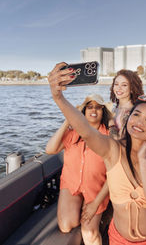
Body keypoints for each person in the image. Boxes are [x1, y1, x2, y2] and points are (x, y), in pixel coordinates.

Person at [48, 63, 146, 245]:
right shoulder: (112, 149)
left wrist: (142, 160)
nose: (139, 121)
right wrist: (58, 97)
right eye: (136, 115)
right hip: (119, 240)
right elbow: (87, 131)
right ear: (128, 118)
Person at [45, 93, 111, 245]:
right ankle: (81, 207)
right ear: (84, 111)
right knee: (66, 225)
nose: (93, 110)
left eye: (98, 108)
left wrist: (95, 203)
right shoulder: (72, 133)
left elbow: (113, 175)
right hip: (71, 185)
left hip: (96, 189)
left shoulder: (108, 136)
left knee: (90, 233)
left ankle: (101, 213)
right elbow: (50, 149)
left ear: (103, 112)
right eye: (89, 107)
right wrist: (68, 119)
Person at [109, 69, 144, 139]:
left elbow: (120, 140)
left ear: (132, 89)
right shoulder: (115, 107)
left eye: (124, 85)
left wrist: (111, 124)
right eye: (116, 84)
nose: (119, 88)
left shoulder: (130, 112)